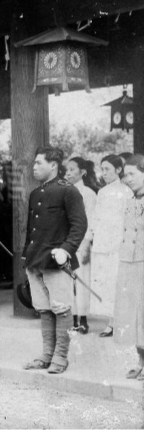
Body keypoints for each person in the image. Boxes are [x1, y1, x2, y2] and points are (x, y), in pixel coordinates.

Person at [22, 147, 87, 374]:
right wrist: (26, 255)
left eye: (39, 163)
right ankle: (47, 355)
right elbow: (32, 229)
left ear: (53, 165)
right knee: (43, 309)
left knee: (62, 309)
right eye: (34, 163)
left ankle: (60, 356)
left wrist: (67, 250)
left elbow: (79, 225)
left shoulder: (68, 191)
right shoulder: (35, 193)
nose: (34, 167)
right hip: (35, 260)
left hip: (57, 261)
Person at [87, 154, 133, 337]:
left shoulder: (126, 192)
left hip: (118, 245)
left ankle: (121, 323)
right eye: (102, 169)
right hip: (102, 244)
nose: (103, 173)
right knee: (104, 283)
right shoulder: (102, 192)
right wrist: (92, 236)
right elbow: (96, 218)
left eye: (107, 169)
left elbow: (127, 221)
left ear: (119, 170)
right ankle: (110, 322)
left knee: (118, 284)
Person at [113, 154, 144, 380]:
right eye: (126, 174)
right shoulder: (129, 201)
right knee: (132, 315)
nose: (128, 178)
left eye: (133, 174)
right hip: (129, 262)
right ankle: (141, 360)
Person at [64, 156, 98, 334]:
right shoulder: (64, 191)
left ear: (82, 172)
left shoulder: (88, 194)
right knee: (68, 282)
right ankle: (71, 319)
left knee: (81, 281)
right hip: (65, 244)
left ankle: (82, 320)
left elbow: (90, 221)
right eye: (66, 170)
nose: (68, 173)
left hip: (80, 244)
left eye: (72, 169)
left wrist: (86, 244)